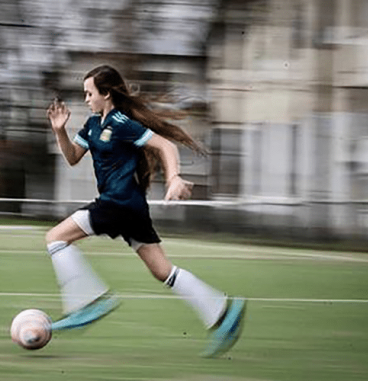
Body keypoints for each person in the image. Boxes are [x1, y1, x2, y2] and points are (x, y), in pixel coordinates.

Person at [45, 65, 246, 358]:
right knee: (162, 271)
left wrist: (174, 177)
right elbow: (73, 158)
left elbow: (164, 145)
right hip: (130, 208)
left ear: (107, 93)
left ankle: (87, 302)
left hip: (118, 203)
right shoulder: (91, 125)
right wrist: (60, 131)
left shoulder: (122, 122)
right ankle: (222, 311)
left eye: (90, 93)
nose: (86, 98)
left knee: (55, 238)